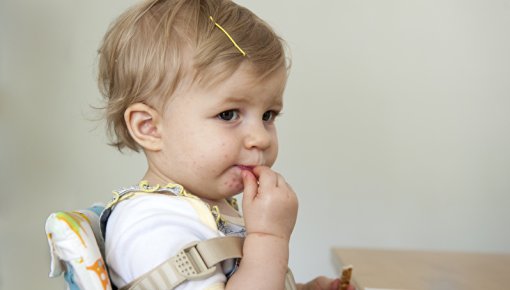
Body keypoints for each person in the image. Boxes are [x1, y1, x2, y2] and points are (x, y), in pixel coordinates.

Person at [97, 0, 350, 289]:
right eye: (228, 114)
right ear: (150, 128)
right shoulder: (152, 227)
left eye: (268, 115)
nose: (262, 138)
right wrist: (269, 239)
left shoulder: (202, 209)